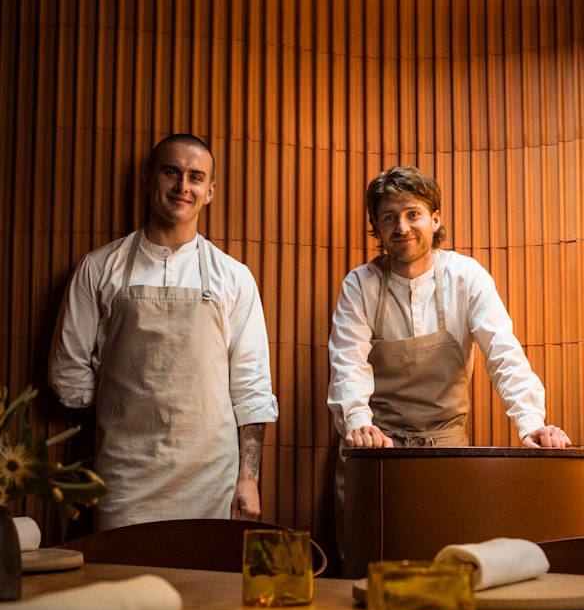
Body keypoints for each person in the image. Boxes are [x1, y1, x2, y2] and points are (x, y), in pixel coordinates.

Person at [49, 134, 278, 530]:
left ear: (210, 192)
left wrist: (248, 480)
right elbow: (67, 376)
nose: (182, 186)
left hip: (211, 479)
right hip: (123, 476)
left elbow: (252, 388)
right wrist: (124, 404)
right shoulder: (99, 268)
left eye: (195, 177)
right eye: (171, 172)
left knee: (205, 590)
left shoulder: (234, 277)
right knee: (122, 588)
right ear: (148, 179)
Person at [328, 166, 571, 524]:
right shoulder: (359, 285)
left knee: (447, 559)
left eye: (414, 214)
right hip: (374, 449)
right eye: (390, 217)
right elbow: (348, 364)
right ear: (377, 227)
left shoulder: (467, 277)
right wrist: (359, 425)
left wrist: (531, 422)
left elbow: (503, 353)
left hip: (446, 448)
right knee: (367, 562)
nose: (402, 227)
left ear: (435, 219)